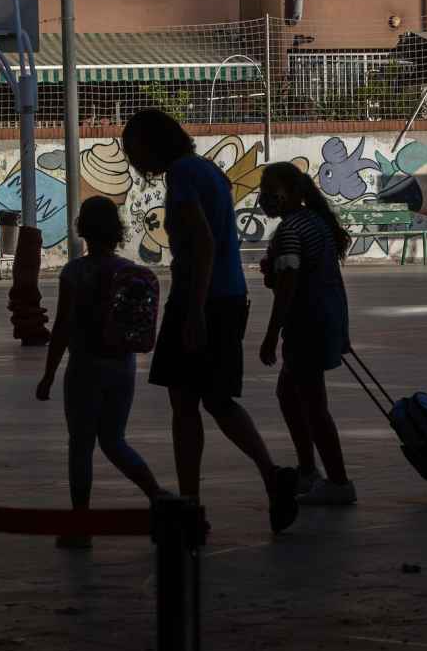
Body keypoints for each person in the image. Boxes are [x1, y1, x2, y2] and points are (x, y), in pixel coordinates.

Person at [120, 109, 300, 533]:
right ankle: (273, 478)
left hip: (201, 299)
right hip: (230, 296)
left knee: (184, 405)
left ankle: (190, 505)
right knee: (217, 400)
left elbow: (201, 243)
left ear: (151, 144)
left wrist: (194, 310)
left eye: (133, 148)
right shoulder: (207, 171)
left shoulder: (182, 175)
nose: (130, 157)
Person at [38, 196, 169, 549]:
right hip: (122, 367)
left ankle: (81, 524)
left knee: (81, 446)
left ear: (82, 229)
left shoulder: (74, 273)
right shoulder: (127, 272)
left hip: (84, 368)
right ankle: (157, 495)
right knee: (114, 441)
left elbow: (62, 328)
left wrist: (49, 375)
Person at [256, 161, 357, 506]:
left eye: (270, 188)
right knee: (289, 393)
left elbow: (287, 289)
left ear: (293, 192)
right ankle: (308, 470)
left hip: (307, 325)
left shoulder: (289, 231)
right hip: (326, 319)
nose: (264, 195)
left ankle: (339, 481)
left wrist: (271, 335)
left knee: (314, 406)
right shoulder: (315, 222)